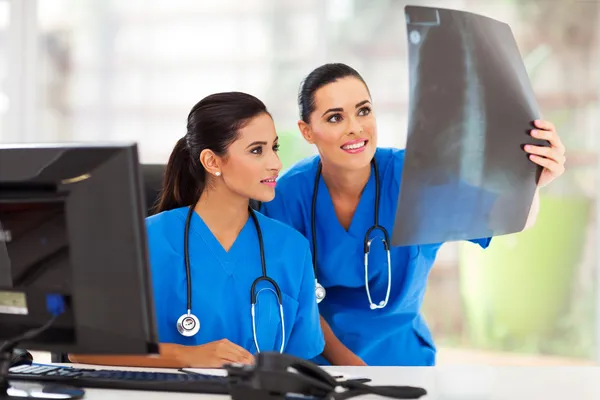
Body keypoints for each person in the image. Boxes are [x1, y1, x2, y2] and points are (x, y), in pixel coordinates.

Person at [261, 63, 566, 366]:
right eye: (335, 117)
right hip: (320, 364)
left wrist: (535, 181)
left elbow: (511, 217)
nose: (355, 126)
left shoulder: (415, 179)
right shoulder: (288, 195)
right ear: (307, 131)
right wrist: (352, 370)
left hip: (403, 363)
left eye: (363, 111)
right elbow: (294, 300)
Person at [70, 92, 325, 368]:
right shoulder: (144, 241)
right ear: (212, 162)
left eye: (273, 148)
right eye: (256, 150)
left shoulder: (292, 249)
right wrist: (186, 356)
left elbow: (303, 363)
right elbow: (83, 349)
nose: (275, 163)